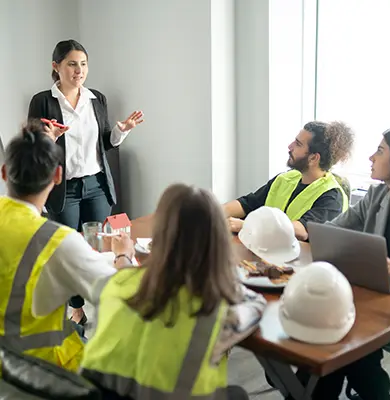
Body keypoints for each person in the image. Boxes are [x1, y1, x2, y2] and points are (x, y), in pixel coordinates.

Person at [80, 183, 267, 400]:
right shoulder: (220, 309)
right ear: (218, 242)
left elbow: (125, 277)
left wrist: (122, 256)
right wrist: (224, 275)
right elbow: (257, 305)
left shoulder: (114, 283)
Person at [0, 120, 135, 372]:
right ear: (59, 175)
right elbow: (119, 294)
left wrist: (45, 143)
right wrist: (123, 255)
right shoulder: (56, 240)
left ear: (5, 172)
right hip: (42, 373)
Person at [27, 39, 144, 325]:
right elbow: (33, 146)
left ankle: (103, 304)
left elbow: (106, 143)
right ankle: (76, 307)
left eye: (83, 64)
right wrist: (49, 139)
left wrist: (121, 130)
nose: (79, 70)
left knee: (99, 249)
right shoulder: (43, 101)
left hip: (96, 185)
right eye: (71, 64)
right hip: (63, 189)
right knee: (69, 252)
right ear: (56, 67)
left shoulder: (97, 99)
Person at [306, 127, 390, 400]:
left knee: (346, 344)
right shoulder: (376, 197)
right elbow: (332, 230)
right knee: (342, 340)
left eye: (380, 151)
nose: (371, 157)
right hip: (375, 301)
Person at [224, 121, 354, 240]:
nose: (290, 146)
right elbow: (248, 203)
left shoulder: (332, 197)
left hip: (301, 262)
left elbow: (302, 230)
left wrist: (248, 226)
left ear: (313, 158)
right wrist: (213, 212)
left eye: (298, 144)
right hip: (271, 253)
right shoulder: (285, 179)